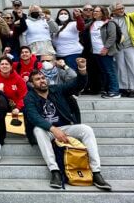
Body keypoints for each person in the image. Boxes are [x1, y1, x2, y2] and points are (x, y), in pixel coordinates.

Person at [23, 59, 112, 190]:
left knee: (86, 129)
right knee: (38, 130)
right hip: (47, 130)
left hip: (65, 127)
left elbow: (77, 84)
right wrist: (53, 129)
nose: (42, 80)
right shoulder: (29, 97)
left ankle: (96, 172)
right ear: (31, 84)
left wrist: (82, 69)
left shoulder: (57, 89)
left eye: (43, 77)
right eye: (37, 79)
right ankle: (55, 171)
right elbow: (33, 116)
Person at [87, 6, 120, 98]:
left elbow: (112, 37)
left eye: (97, 11)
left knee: (110, 71)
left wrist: (106, 48)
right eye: (94, 11)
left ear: (103, 13)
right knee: (103, 71)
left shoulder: (110, 22)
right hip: (96, 51)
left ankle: (115, 91)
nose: (94, 12)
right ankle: (107, 90)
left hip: (105, 51)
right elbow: (81, 28)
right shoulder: (92, 23)